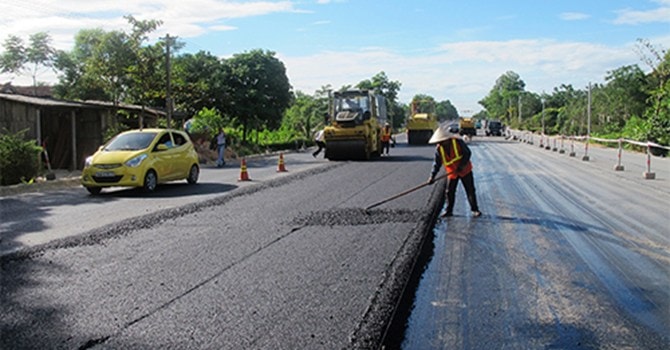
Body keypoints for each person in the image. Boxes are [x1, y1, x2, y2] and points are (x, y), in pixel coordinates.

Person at [427, 124, 481, 218]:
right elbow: (437, 164)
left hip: (465, 170)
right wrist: (432, 176)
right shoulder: (439, 149)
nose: (440, 143)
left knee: (470, 190)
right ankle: (449, 211)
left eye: (441, 141)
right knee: (449, 192)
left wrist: (462, 165)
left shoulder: (458, 142)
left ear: (446, 139)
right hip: (452, 172)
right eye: (438, 142)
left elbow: (467, 153)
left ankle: (475, 209)